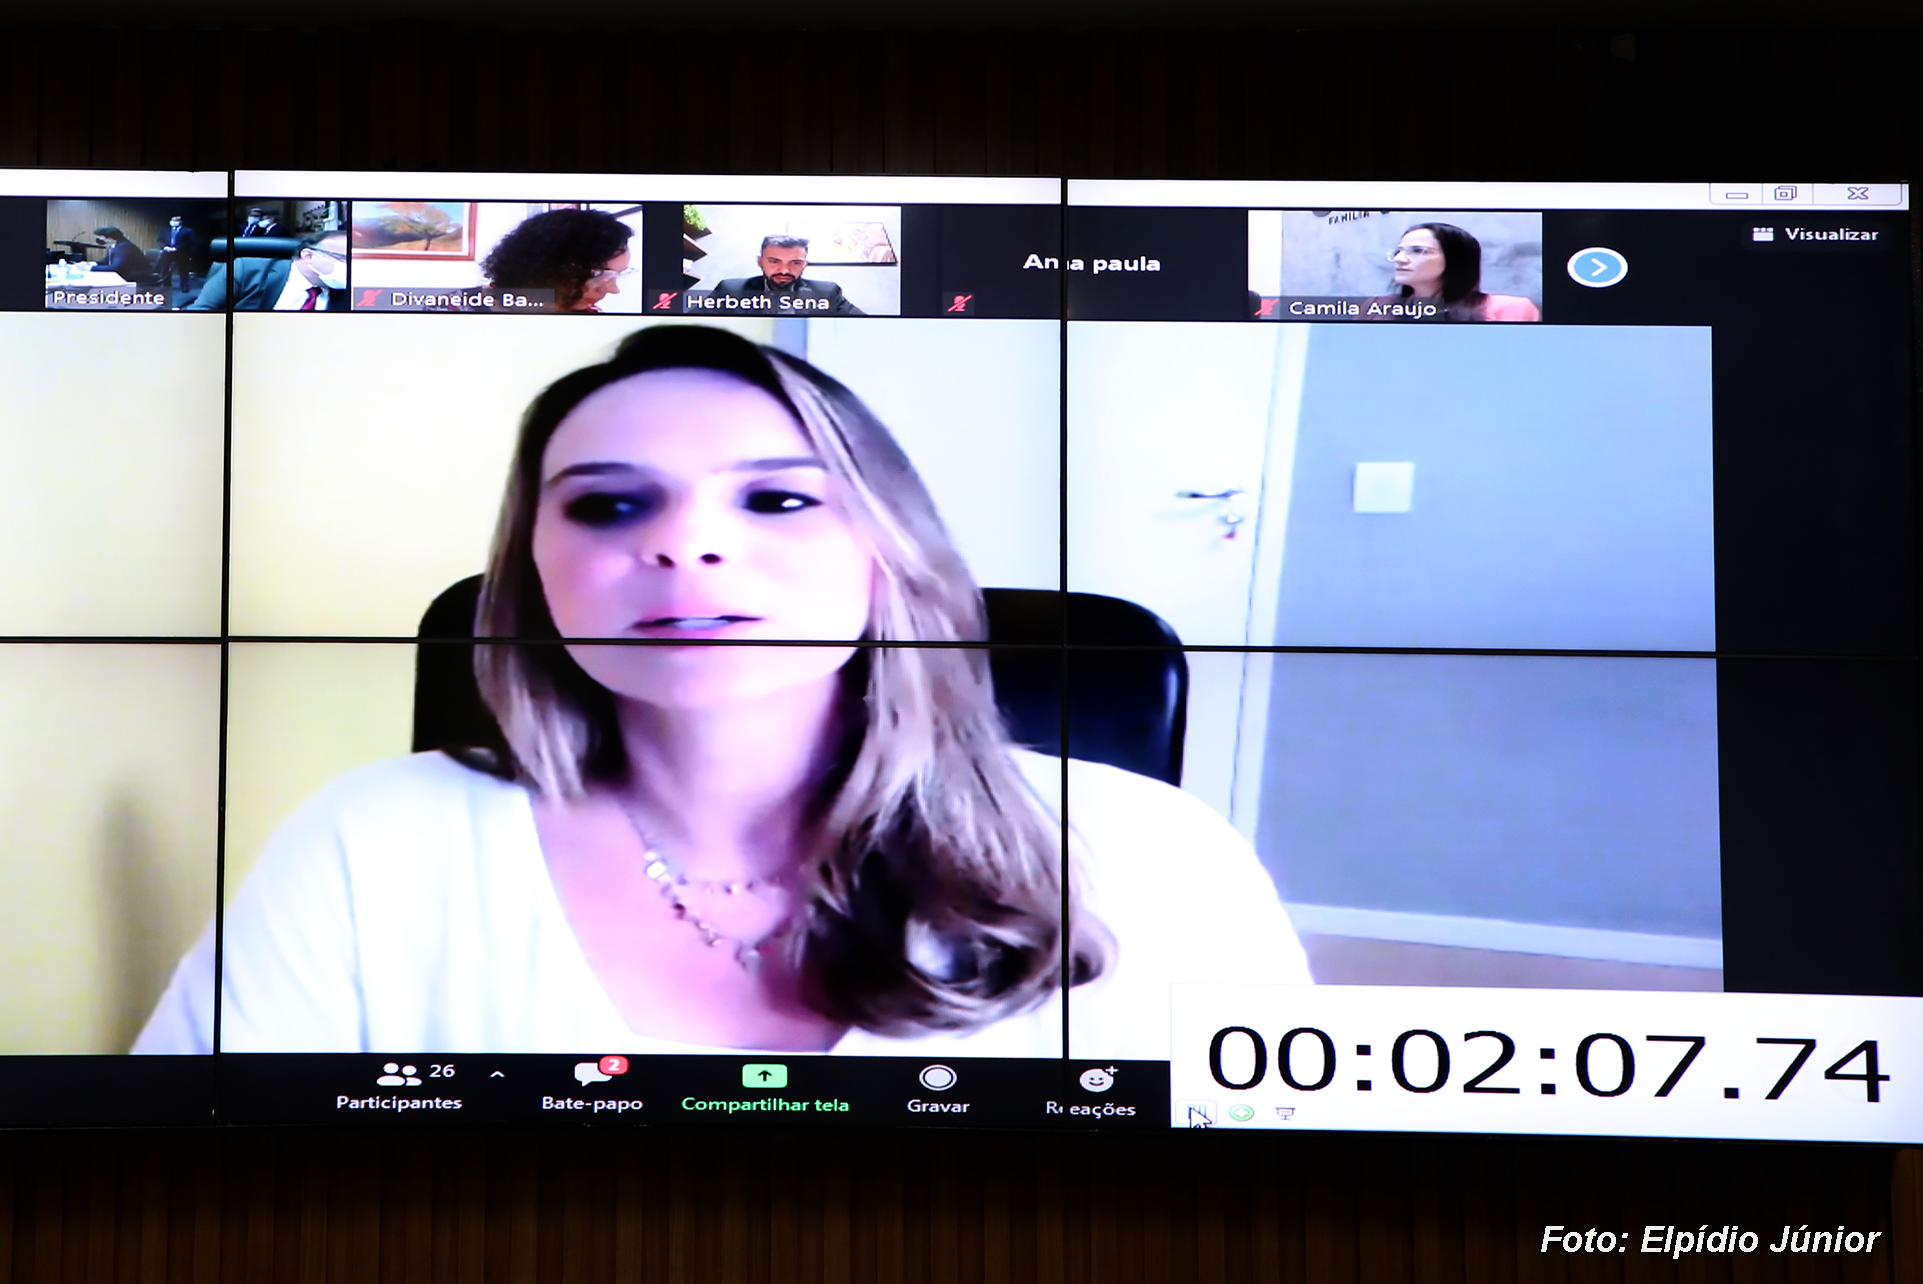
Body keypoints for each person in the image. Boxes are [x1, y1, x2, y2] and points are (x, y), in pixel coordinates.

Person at [134, 326, 1307, 1059]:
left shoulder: (1155, 859)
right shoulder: (370, 840)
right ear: (535, 575)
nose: (684, 545)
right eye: (608, 504)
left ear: (885, 554)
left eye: (777, 500)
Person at [1378, 222, 1540, 322]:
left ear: (1455, 258)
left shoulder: (1511, 309)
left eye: (1418, 250)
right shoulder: (1379, 308)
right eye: (1398, 251)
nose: (1399, 259)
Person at [480, 208, 634, 312]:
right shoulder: (469, 306)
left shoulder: (592, 321)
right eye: (597, 274)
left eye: (616, 276)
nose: (613, 289)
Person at [187, 227, 351, 311]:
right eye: (345, 259)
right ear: (308, 256)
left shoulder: (350, 292)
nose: (353, 267)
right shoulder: (245, 270)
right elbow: (200, 314)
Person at [708, 235, 866, 315]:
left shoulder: (827, 292)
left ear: (805, 264)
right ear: (760, 261)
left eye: (795, 263)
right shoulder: (730, 289)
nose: (784, 270)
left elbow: (865, 324)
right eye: (774, 261)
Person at [157, 213, 199, 291]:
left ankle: (184, 286)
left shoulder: (188, 231)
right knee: (166, 269)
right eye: (173, 220)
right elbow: (160, 240)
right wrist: (165, 247)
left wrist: (177, 248)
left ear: (181, 221)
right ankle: (167, 285)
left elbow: (191, 242)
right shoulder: (165, 230)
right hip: (168, 253)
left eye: (176, 220)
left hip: (182, 254)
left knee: (183, 270)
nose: (174, 221)